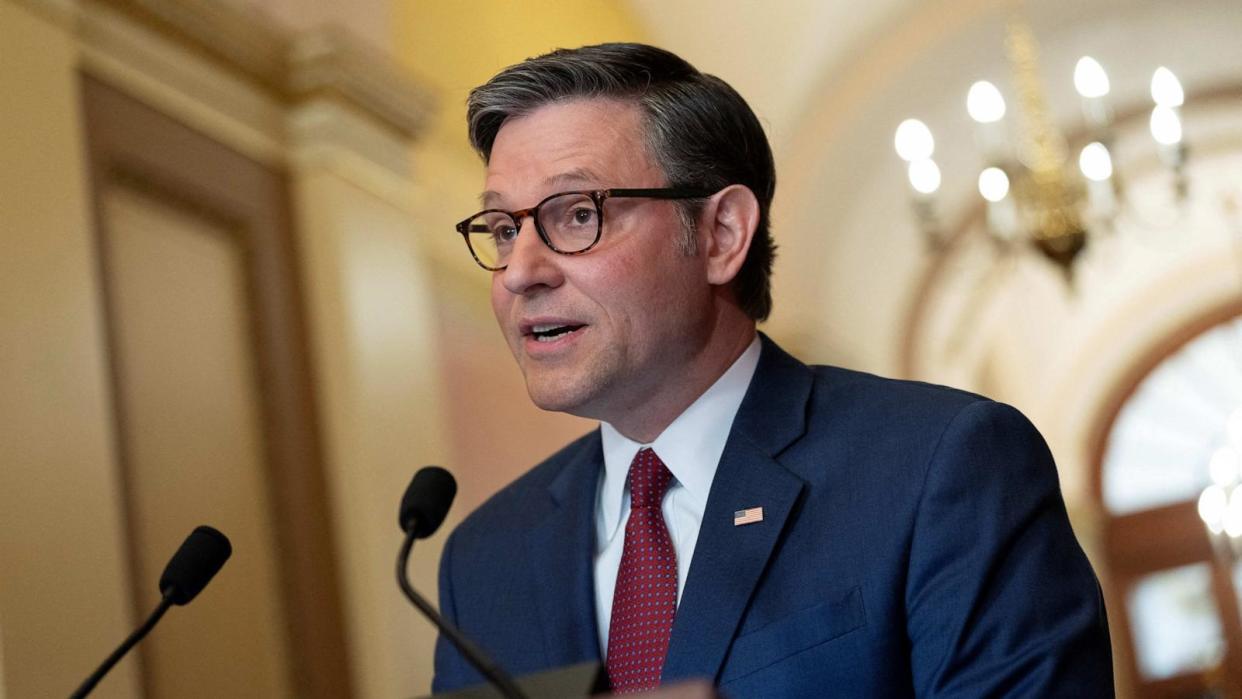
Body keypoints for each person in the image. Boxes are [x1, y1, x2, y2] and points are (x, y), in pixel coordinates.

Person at [432, 43, 1113, 697]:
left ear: (723, 234)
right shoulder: (483, 560)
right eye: (500, 229)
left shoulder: (944, 468)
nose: (520, 271)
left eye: (577, 214)